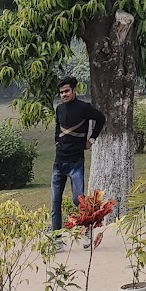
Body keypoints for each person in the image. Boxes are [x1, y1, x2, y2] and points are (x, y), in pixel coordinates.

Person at [51, 75, 106, 233]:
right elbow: (57, 126)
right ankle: (56, 238)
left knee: (78, 199)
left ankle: (87, 230)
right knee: (55, 203)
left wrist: (92, 139)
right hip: (59, 163)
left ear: (74, 91)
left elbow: (101, 118)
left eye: (67, 91)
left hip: (76, 162)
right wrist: (57, 141)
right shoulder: (59, 109)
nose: (64, 95)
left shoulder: (84, 108)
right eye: (61, 92)